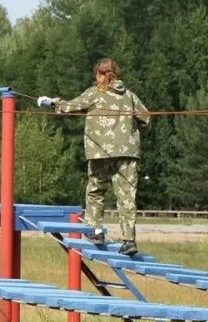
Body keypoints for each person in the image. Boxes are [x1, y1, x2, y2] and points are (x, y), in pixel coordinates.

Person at [37, 57, 150, 256]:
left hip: (101, 152)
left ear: (100, 74)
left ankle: (96, 231)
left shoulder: (95, 93)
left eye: (96, 75)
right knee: (126, 197)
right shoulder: (130, 96)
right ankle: (129, 241)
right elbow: (146, 119)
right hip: (128, 153)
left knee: (96, 191)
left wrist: (52, 102)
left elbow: (70, 107)